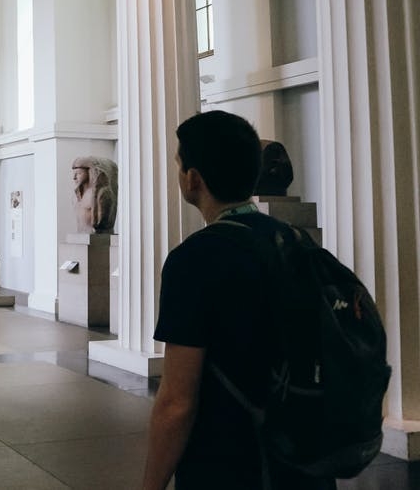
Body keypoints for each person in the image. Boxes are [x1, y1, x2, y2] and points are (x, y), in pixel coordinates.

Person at [143, 110, 333, 490]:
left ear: (193, 179)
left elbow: (177, 401)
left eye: (180, 165)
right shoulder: (296, 242)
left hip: (229, 464)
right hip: (304, 461)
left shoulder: (192, 260)